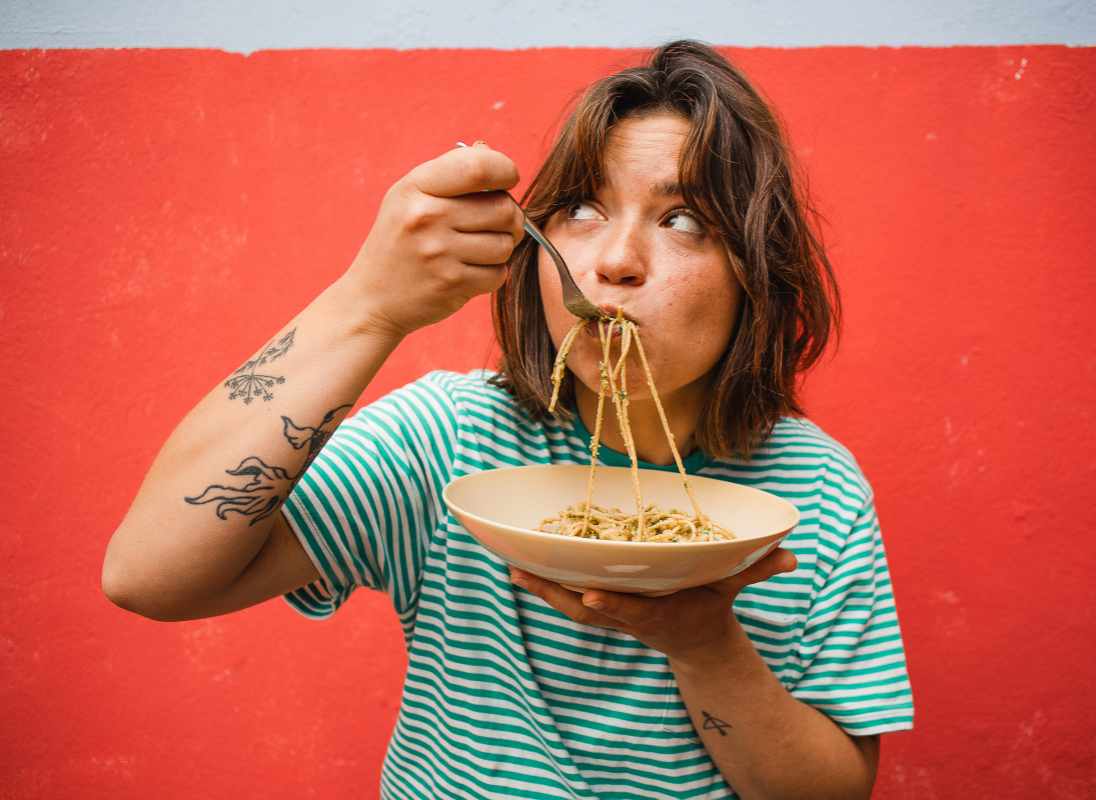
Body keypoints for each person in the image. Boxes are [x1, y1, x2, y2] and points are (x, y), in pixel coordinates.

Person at [103, 39, 914, 799]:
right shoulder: (447, 438)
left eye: (683, 221)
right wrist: (366, 306)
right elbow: (148, 578)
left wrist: (706, 644)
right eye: (584, 212)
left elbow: (834, 787)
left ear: (757, 275)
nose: (614, 261)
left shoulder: (815, 487)